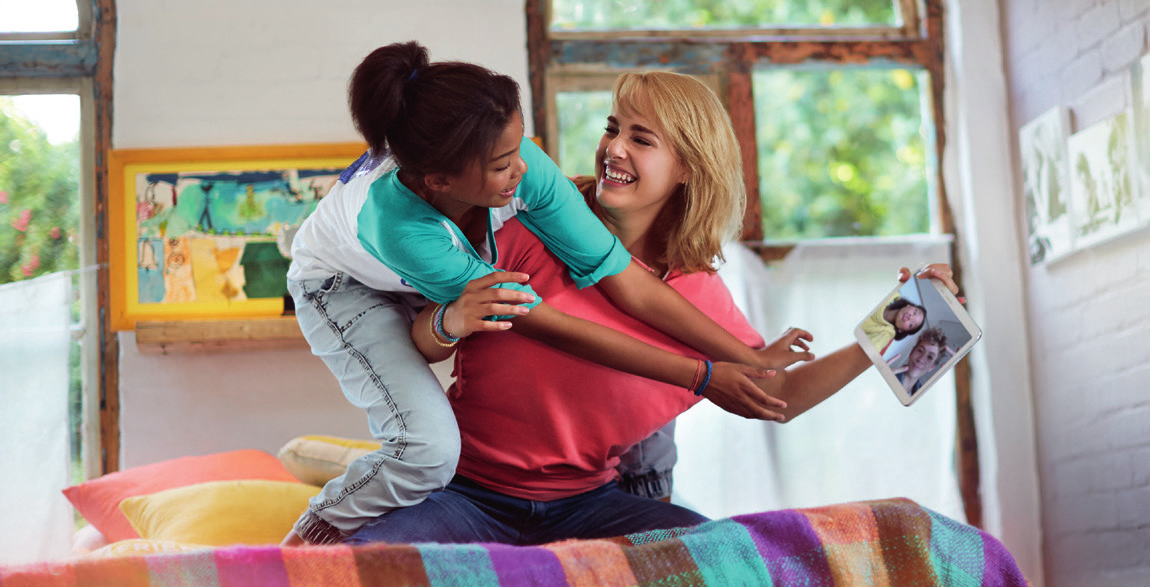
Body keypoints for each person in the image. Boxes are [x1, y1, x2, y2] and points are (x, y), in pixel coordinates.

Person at [344, 71, 962, 545]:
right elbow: (418, 338)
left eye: (642, 138)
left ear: (688, 168)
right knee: (362, 563)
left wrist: (895, 324)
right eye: (613, 128)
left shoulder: (699, 296)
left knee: (722, 557)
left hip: (590, 505)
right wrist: (448, 323)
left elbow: (777, 395)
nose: (614, 147)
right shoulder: (525, 226)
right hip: (465, 494)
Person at [283, 42, 802, 545]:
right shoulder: (402, 228)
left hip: (578, 491)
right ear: (440, 179)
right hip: (344, 286)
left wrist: (744, 357)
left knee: (659, 462)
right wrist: (704, 375)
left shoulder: (521, 166)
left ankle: (331, 459)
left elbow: (623, 278)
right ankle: (314, 533)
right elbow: (544, 325)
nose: (523, 169)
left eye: (520, 149)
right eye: (502, 165)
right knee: (426, 449)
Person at [860, 293, 927, 354]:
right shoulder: (891, 294)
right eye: (915, 312)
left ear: (901, 330)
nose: (911, 317)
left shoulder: (885, 334)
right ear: (909, 305)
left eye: (911, 324)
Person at [892, 327, 949, 395]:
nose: (921, 359)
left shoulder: (923, 398)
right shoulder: (889, 376)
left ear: (932, 367)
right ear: (911, 353)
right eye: (920, 351)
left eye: (930, 357)